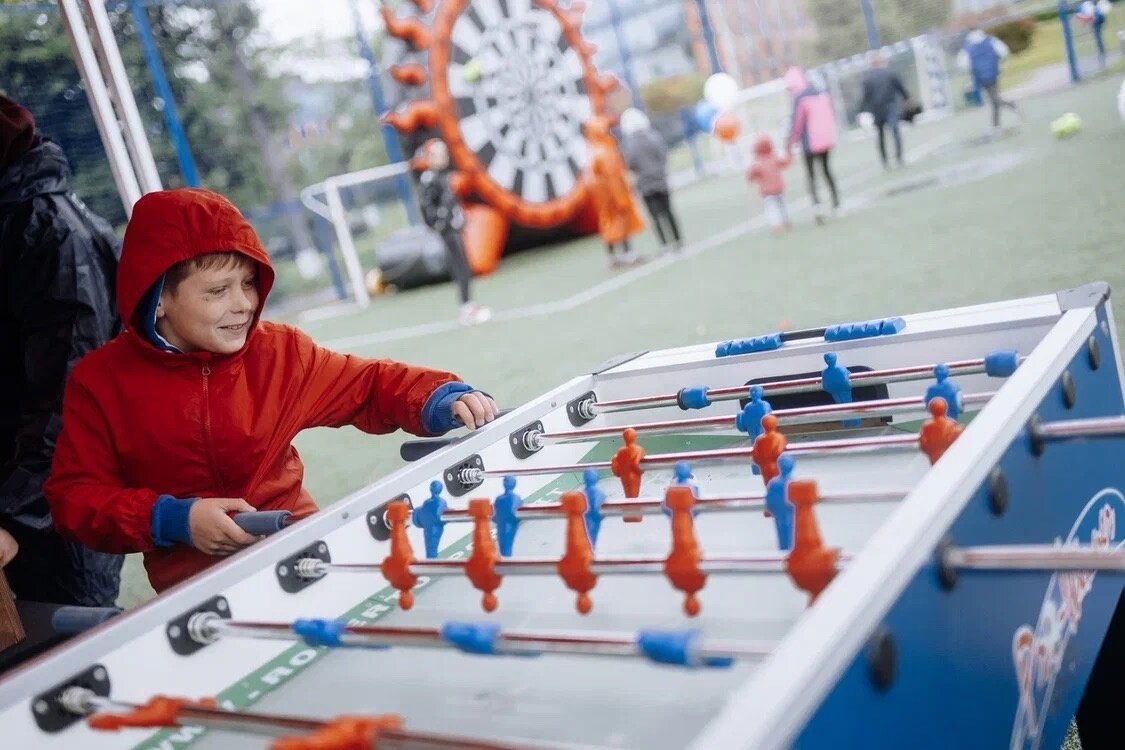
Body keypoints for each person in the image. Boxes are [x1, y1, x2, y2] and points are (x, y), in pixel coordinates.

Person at [44, 188, 499, 594]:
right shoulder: (99, 382)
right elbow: (74, 497)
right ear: (158, 298)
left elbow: (369, 385)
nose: (243, 303)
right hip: (197, 594)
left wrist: (438, 396)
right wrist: (171, 520)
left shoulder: (279, 351)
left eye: (247, 282)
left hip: (303, 552)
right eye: (218, 290)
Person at [0, 95, 124, 608]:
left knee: (73, 655)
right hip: (24, 496)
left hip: (51, 510)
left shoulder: (49, 232)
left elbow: (70, 395)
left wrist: (11, 517)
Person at [415, 139, 491, 326]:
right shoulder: (430, 179)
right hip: (447, 230)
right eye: (440, 155)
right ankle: (466, 308)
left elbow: (450, 203)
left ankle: (468, 304)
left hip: (453, 227)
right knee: (461, 266)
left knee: (464, 265)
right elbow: (427, 208)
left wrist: (459, 217)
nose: (444, 158)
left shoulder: (442, 177)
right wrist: (439, 222)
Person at [583, 116, 645, 269]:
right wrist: (621, 198)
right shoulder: (604, 151)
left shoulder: (594, 150)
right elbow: (612, 178)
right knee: (619, 225)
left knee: (609, 226)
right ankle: (626, 254)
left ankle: (614, 256)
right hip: (612, 199)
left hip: (604, 200)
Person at [619, 108, 683, 253]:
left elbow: (629, 164)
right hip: (660, 179)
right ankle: (678, 240)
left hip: (645, 184)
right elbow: (663, 154)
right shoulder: (653, 137)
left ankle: (665, 244)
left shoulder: (630, 144)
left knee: (655, 216)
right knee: (668, 212)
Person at [785, 67, 840, 222]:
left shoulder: (799, 98)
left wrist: (791, 143)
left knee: (811, 175)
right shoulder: (821, 91)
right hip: (826, 139)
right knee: (827, 171)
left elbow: (797, 124)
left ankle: (817, 206)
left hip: (810, 142)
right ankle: (836, 203)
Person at [957, 25, 1021, 130]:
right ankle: (997, 124)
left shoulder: (967, 46)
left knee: (994, 99)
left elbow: (963, 63)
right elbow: (1004, 52)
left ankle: (1011, 108)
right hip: (993, 73)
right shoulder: (989, 40)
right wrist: (998, 63)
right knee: (994, 99)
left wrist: (973, 71)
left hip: (981, 76)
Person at [858, 52, 912, 169]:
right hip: (890, 107)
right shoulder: (890, 73)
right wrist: (907, 99)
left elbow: (865, 97)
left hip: (876, 110)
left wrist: (861, 111)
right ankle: (899, 157)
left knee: (880, 136)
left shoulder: (867, 78)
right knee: (895, 132)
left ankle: (885, 161)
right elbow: (901, 88)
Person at [746, 135, 793, 235]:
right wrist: (789, 154)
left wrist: (749, 175)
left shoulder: (758, 163)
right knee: (782, 206)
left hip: (767, 193)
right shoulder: (774, 158)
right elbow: (785, 162)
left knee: (772, 209)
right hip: (779, 189)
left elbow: (751, 175)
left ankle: (776, 225)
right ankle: (786, 221)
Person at [1076, 0, 1113, 70]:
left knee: (1098, 38)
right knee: (1097, 37)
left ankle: (1101, 53)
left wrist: (1092, 18)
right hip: (1094, 18)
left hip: (1096, 19)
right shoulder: (1085, 6)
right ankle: (1101, 53)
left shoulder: (1095, 7)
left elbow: (1099, 16)